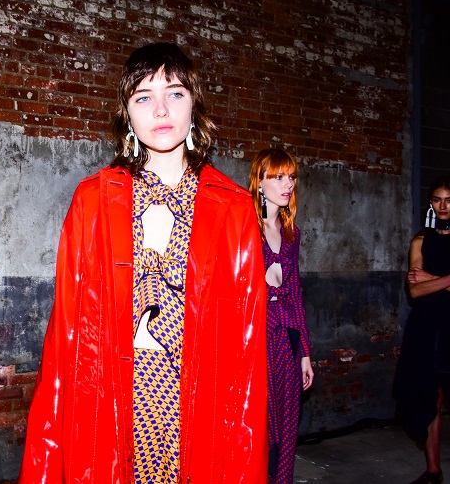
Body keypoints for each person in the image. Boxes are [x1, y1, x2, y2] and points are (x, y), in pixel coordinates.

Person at [18, 42, 267, 483]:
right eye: (143, 97)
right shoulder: (93, 200)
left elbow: (248, 345)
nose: (160, 110)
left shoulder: (233, 207)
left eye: (175, 93)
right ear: (127, 114)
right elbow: (66, 334)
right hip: (112, 402)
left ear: (195, 106)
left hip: (198, 405)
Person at [249, 148, 314, 484]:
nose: (287, 184)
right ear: (260, 183)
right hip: (254, 343)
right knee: (257, 428)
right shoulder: (244, 227)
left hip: (286, 341)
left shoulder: (292, 233)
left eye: (291, 176)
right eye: (278, 177)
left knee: (287, 426)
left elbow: (296, 295)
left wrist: (305, 353)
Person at [395, 176, 450, 484]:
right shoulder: (420, 241)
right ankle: (433, 471)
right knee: (430, 397)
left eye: (449, 200)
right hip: (427, 324)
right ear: (431, 203)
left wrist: (430, 278)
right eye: (438, 200)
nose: (443, 206)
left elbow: (423, 284)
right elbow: (414, 292)